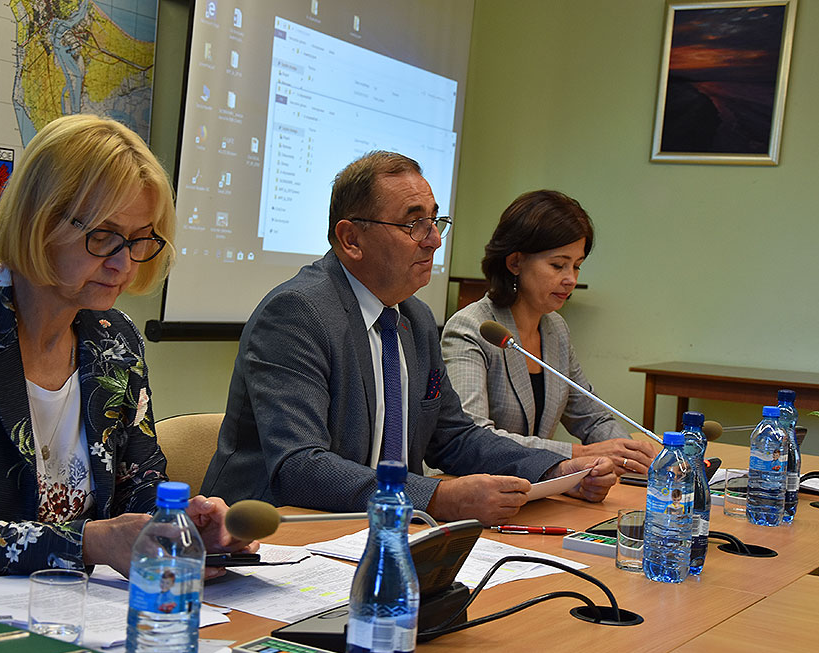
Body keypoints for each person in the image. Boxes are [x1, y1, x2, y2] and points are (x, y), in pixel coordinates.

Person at [0, 114, 253, 598]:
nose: (123, 263)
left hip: (62, 605)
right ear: (39, 220)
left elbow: (138, 486)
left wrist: (182, 527)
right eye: (103, 236)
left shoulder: (115, 338)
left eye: (139, 239)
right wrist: (91, 542)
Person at [200, 152, 617, 526]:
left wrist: (552, 470)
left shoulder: (414, 318)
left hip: (378, 529)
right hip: (274, 535)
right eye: (414, 224)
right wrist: (438, 497)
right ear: (351, 239)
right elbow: (300, 468)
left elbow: (453, 437)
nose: (434, 240)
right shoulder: (297, 314)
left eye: (435, 221)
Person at [441, 190, 656, 476]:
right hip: (474, 487)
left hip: (535, 486)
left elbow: (592, 418)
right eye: (558, 265)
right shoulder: (472, 328)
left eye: (577, 266)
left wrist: (633, 456)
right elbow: (474, 436)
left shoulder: (555, 329)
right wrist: (580, 453)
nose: (571, 279)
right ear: (515, 262)